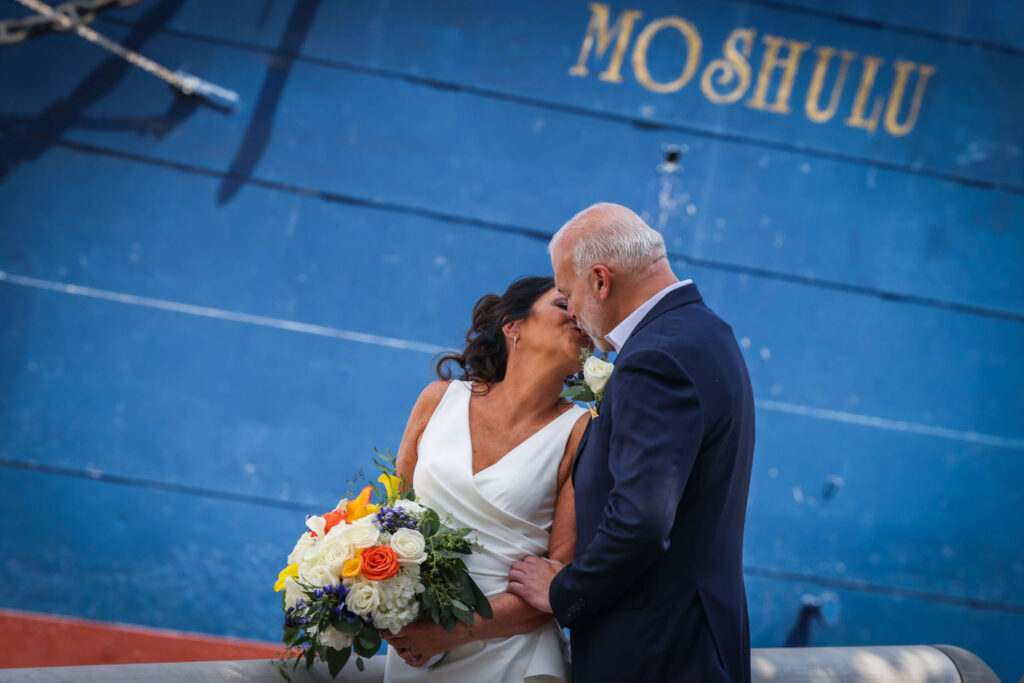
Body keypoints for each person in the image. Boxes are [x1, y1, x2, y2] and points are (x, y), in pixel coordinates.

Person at [509, 204, 755, 682]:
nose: (573, 313)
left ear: (601, 280)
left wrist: (565, 591)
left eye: (568, 293)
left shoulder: (655, 357)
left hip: (656, 655)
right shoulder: (708, 333)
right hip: (701, 643)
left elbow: (642, 519)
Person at [382, 276, 591, 683]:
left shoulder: (581, 431)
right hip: (420, 656)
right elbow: (388, 525)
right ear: (513, 326)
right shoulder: (438, 399)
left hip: (517, 656)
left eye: (584, 311)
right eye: (564, 305)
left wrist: (446, 635)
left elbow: (557, 579)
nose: (580, 317)